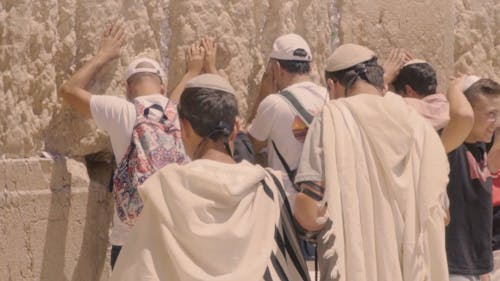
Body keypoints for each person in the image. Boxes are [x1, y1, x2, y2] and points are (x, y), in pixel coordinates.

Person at [110, 74, 310, 281]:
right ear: (235, 129)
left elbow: (137, 270)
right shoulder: (269, 186)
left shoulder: (165, 189)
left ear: (184, 127)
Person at [293, 43, 450, 281]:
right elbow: (443, 214)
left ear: (333, 85)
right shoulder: (419, 127)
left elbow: (309, 211)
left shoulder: (333, 117)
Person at [58, 21, 187, 268]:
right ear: (162, 85)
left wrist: (104, 55)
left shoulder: (122, 111)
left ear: (128, 88)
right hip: (172, 234)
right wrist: (191, 72)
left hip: (130, 237)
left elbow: (69, 90)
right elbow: (172, 102)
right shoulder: (180, 115)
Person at [445, 77, 500, 281]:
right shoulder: (451, 146)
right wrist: (455, 86)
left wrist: (483, 267)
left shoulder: (480, 148)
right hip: (453, 266)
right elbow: (461, 115)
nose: (496, 122)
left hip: (476, 267)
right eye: (491, 115)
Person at [383, 49, 449, 130]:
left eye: (400, 93)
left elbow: (371, 104)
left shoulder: (408, 109)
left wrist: (384, 78)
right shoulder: (444, 108)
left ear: (409, 91)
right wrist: (421, 70)